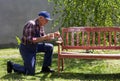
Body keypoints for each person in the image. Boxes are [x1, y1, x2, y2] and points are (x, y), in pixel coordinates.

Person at [7, 11, 60, 75]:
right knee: (30, 72)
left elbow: (43, 38)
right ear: (40, 18)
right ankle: (12, 65)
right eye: (46, 20)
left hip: (35, 46)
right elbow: (31, 40)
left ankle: (45, 68)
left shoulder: (41, 26)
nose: (47, 22)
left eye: (48, 20)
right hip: (27, 49)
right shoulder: (31, 24)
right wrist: (44, 37)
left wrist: (53, 35)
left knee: (49, 47)